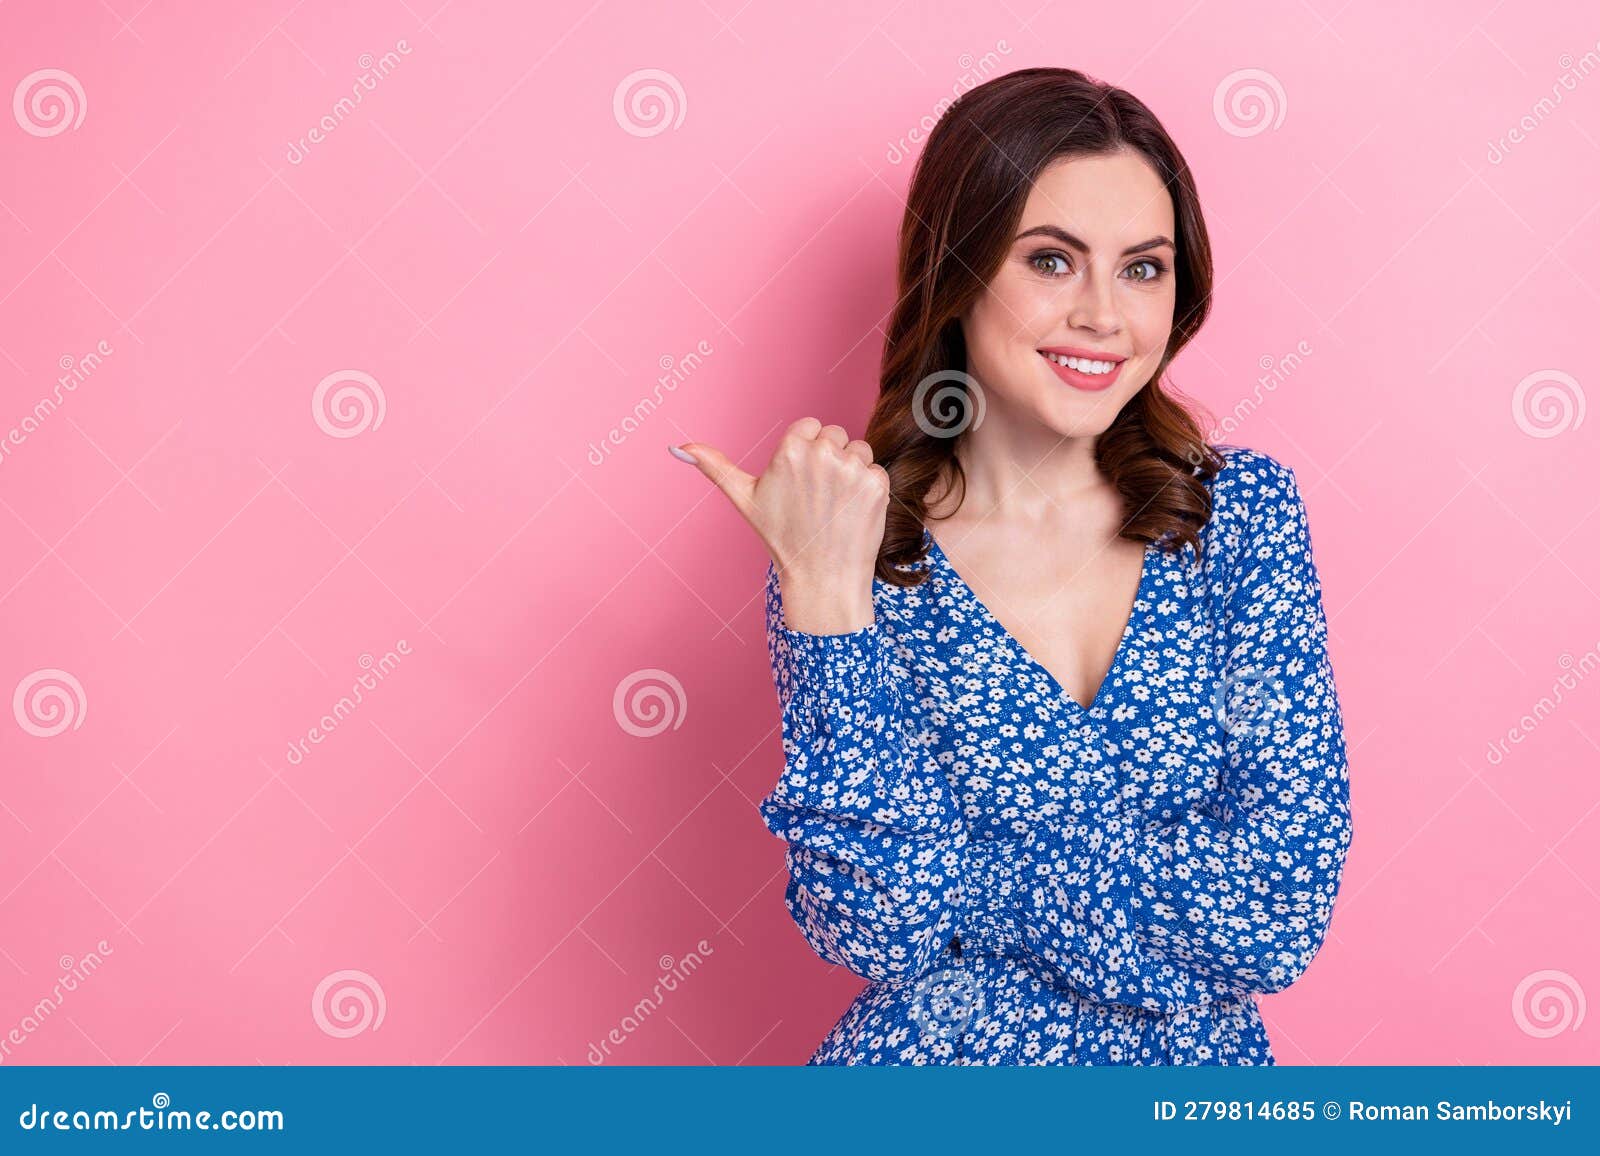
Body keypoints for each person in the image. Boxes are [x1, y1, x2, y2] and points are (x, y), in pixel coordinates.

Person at [670, 66, 1352, 1065]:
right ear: (958, 270)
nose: (1103, 315)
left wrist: (972, 876)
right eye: (1050, 259)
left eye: (1142, 268)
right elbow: (880, 926)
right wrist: (822, 595)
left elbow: (1276, 911)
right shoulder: (855, 552)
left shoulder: (1237, 520)